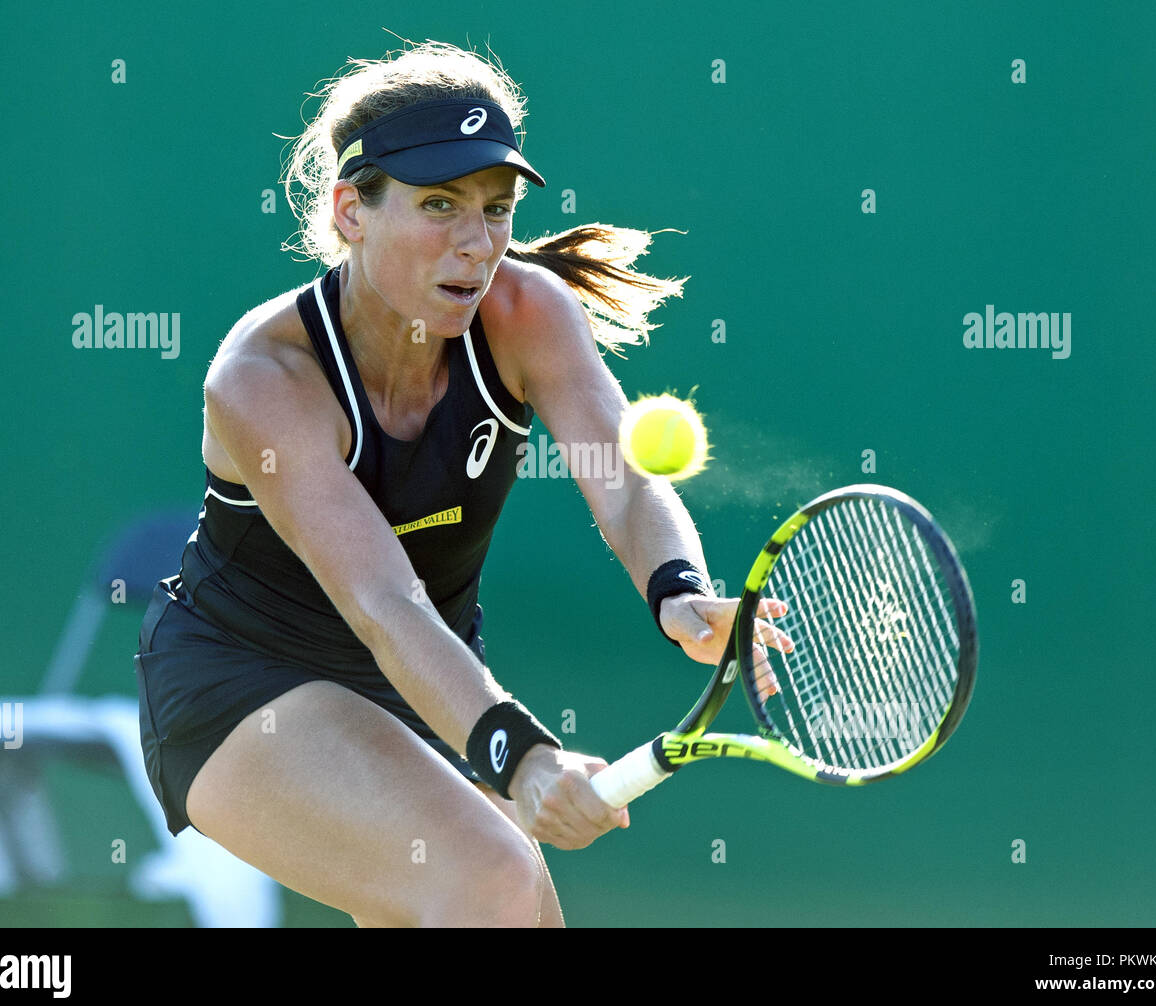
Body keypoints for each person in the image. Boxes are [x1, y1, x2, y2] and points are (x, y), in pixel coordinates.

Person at [134, 40, 743, 928]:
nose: (477, 242)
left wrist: (679, 593)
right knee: (489, 879)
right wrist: (524, 758)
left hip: (425, 687)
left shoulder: (529, 315)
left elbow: (624, 482)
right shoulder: (263, 379)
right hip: (244, 688)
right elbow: (385, 601)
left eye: (495, 209)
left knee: (521, 908)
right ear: (350, 211)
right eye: (439, 205)